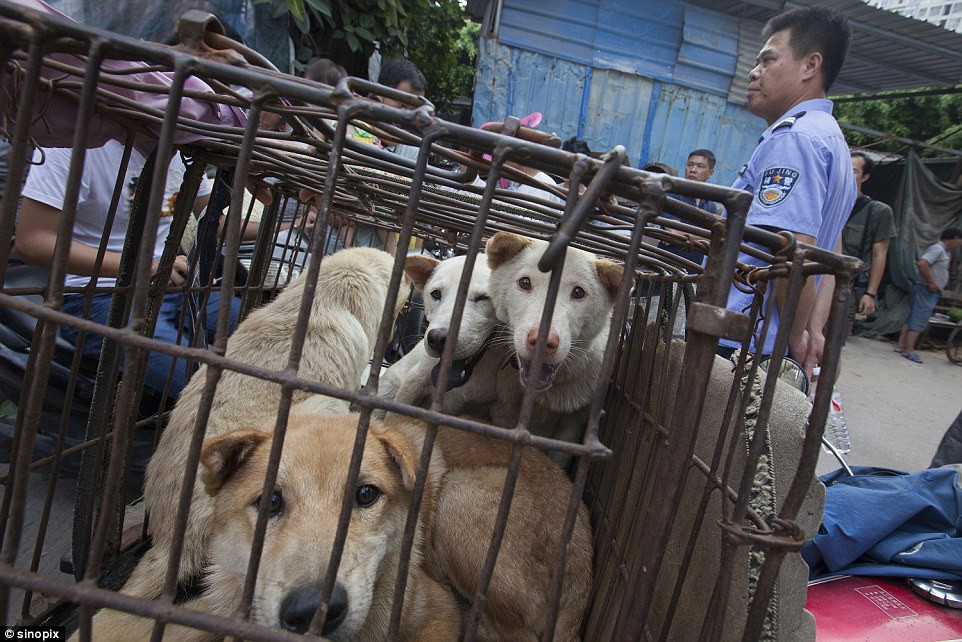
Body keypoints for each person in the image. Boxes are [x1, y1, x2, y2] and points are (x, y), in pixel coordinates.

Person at [14, 140, 240, 398]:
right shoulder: (73, 147)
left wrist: (277, 222)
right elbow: (33, 242)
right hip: (99, 294)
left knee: (259, 336)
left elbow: (215, 221)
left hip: (173, 286)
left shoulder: (186, 154)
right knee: (209, 390)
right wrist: (144, 267)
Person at [716, 6, 856, 373]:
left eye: (767, 60)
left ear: (810, 65)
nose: (754, 71)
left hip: (744, 342)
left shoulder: (795, 139)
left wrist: (795, 339)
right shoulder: (831, 138)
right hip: (766, 338)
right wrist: (813, 329)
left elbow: (796, 252)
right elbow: (832, 248)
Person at [841, 151, 897, 335]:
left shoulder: (878, 212)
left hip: (846, 287)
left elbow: (880, 254)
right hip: (815, 280)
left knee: (831, 341)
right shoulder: (826, 202)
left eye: (853, 171)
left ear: (865, 177)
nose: (846, 174)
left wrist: (870, 293)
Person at [895, 227, 962, 364]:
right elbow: (922, 263)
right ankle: (909, 350)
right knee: (919, 318)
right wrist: (931, 281)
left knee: (913, 317)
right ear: (955, 238)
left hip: (927, 289)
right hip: (926, 288)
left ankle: (901, 346)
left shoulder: (945, 251)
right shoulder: (938, 249)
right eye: (960, 240)